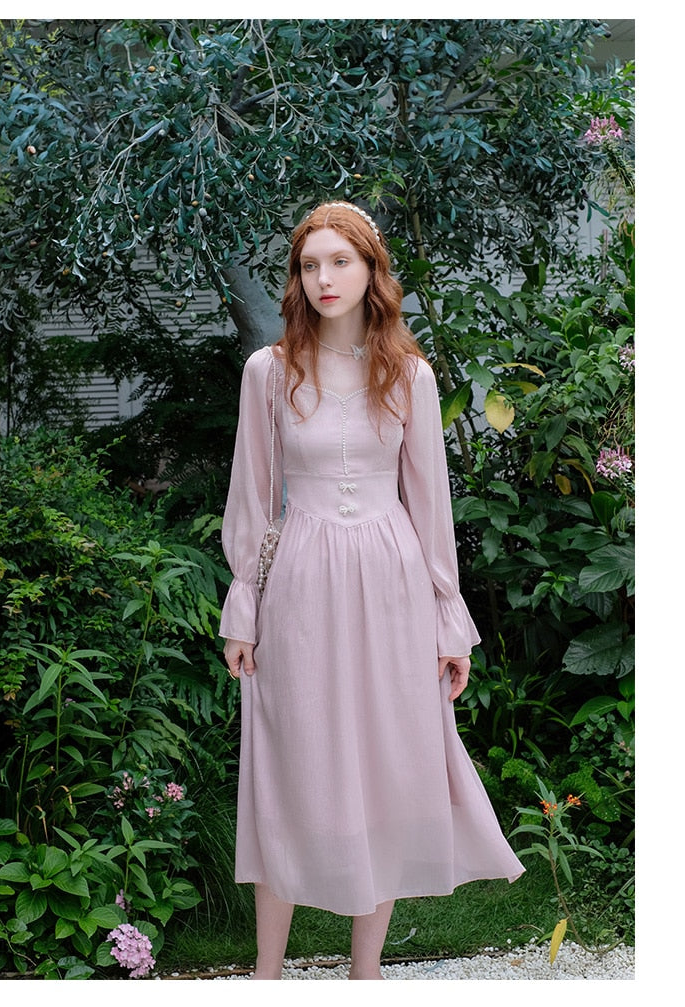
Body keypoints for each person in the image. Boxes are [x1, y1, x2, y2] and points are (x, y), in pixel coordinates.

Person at [219, 201, 524, 980]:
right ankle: (265, 975)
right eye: (309, 264)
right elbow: (253, 496)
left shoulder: (409, 375)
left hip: (393, 586)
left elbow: (430, 507)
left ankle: (366, 973)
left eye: (340, 261)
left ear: (370, 270)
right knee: (290, 768)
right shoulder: (269, 372)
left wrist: (448, 621)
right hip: (300, 584)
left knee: (388, 765)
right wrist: (243, 607)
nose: (324, 277)